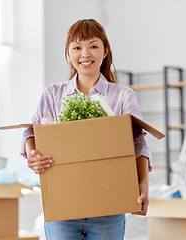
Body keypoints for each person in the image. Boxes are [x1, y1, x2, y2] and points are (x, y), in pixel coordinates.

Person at [21, 19, 151, 240]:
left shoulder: (123, 96)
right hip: (62, 206)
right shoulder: (53, 94)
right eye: (77, 47)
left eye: (93, 46)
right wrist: (33, 154)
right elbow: (31, 132)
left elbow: (138, 143)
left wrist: (143, 185)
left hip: (109, 206)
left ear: (105, 50)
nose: (85, 54)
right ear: (68, 53)